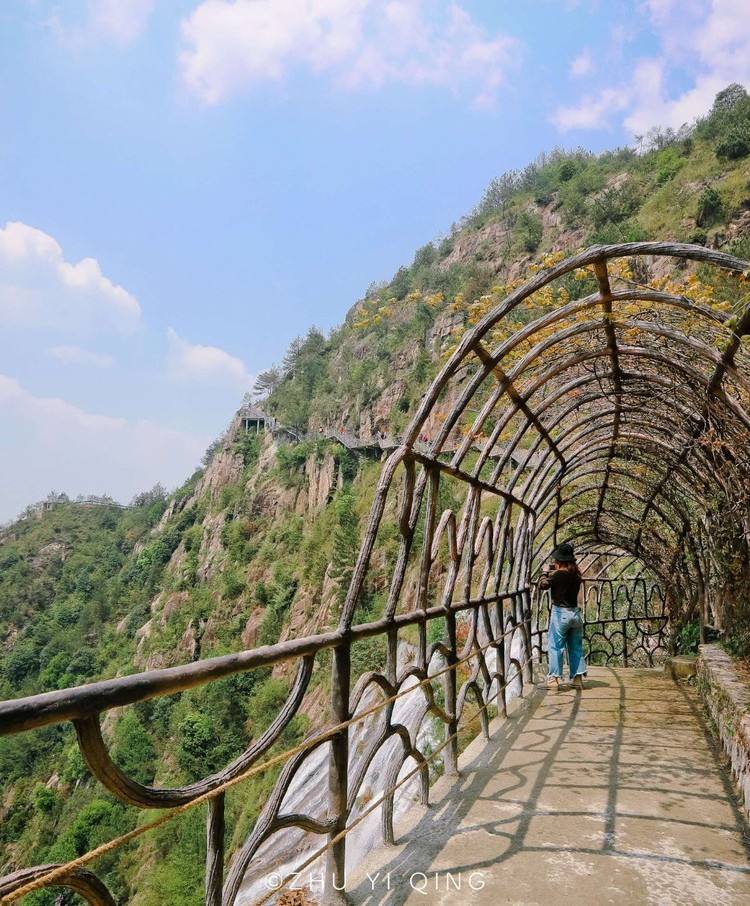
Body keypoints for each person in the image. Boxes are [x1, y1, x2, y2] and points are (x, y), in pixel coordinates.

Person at [539, 542, 586, 691]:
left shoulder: (559, 575)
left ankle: (554, 679)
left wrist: (544, 573)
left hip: (561, 614)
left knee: (555, 647)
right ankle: (577, 678)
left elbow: (543, 585)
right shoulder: (576, 575)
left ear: (559, 561)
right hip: (575, 614)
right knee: (575, 646)